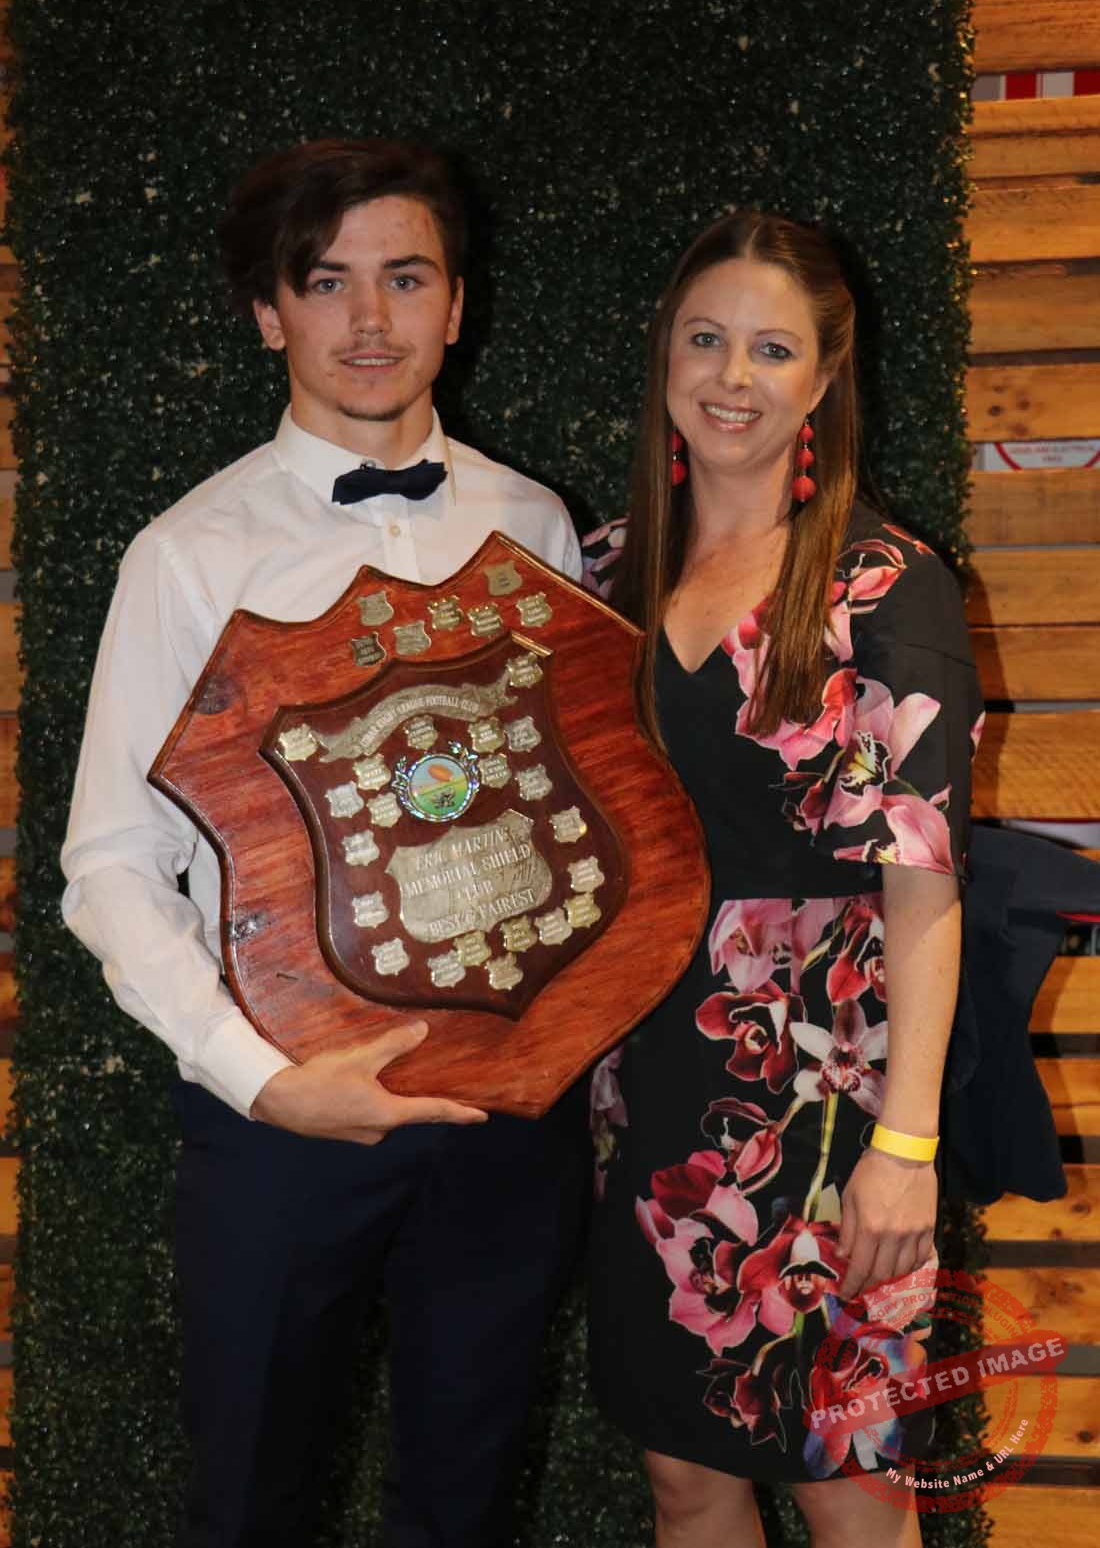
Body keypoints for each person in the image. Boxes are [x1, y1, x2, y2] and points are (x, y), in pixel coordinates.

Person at [61, 137, 589, 1548]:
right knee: (253, 1505)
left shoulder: (536, 525)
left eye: (405, 278)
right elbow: (109, 863)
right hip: (281, 1116)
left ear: (456, 304)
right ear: (268, 312)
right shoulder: (189, 553)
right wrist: (263, 1079)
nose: (369, 320)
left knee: (465, 1505)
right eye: (326, 281)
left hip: (504, 1115)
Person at [583, 210, 983, 1548]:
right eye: (706, 339)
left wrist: (906, 1151)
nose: (731, 377)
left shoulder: (886, 586)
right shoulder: (600, 576)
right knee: (683, 1481)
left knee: (846, 1485)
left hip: (830, 1096)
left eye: (771, 349)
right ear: (665, 355)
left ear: (823, 379)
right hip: (645, 1087)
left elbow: (924, 888)